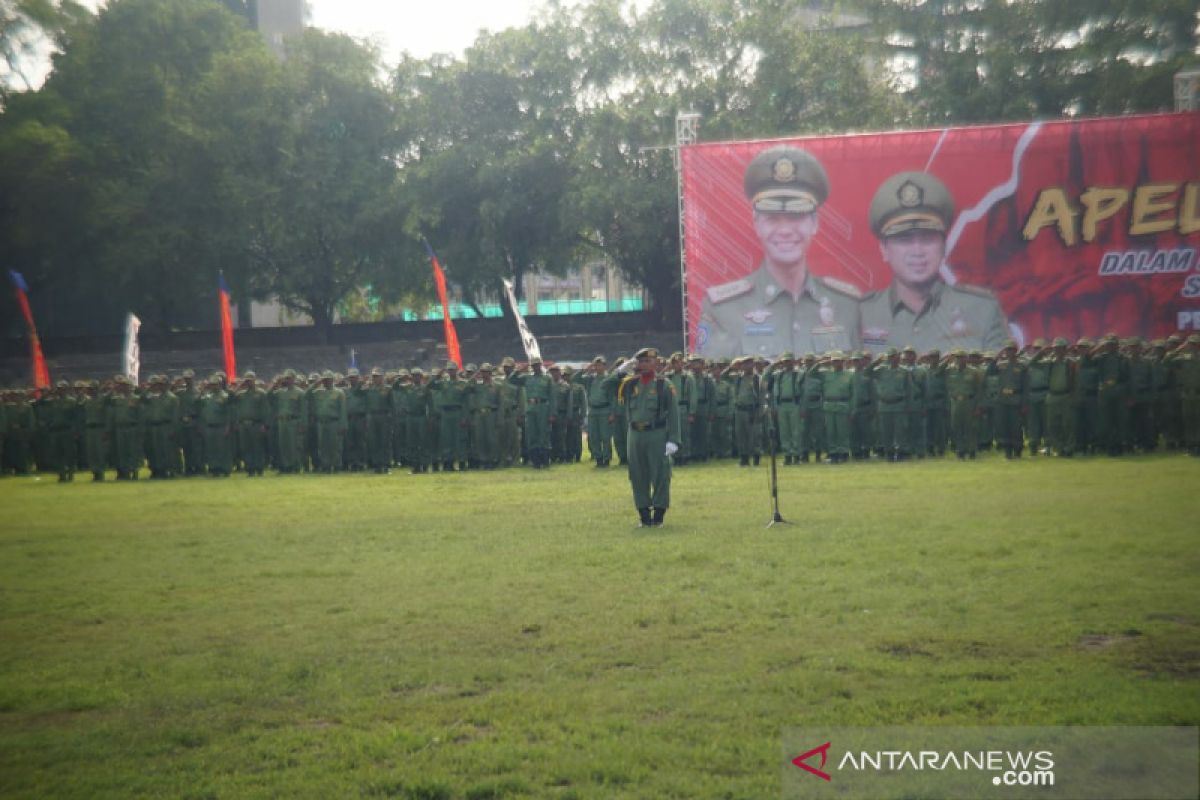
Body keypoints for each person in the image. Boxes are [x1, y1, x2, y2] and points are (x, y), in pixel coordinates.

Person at [697, 146, 862, 359]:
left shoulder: (847, 306)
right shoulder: (724, 310)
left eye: (796, 216)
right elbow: (711, 389)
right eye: (772, 218)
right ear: (756, 225)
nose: (785, 230)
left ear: (814, 223)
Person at [860, 171, 1010, 354]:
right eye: (904, 239)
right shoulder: (860, 316)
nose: (917, 251)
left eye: (928, 238)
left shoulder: (981, 310)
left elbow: (1004, 379)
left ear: (944, 245)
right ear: (884, 249)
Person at [607, 347, 681, 527]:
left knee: (660, 474)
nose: (644, 364)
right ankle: (644, 515)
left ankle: (659, 515)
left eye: (648, 361)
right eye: (641, 361)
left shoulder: (664, 385)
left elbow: (673, 414)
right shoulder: (630, 384)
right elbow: (606, 387)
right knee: (637, 475)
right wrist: (619, 372)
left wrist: (673, 439)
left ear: (656, 363)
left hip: (656, 433)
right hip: (634, 435)